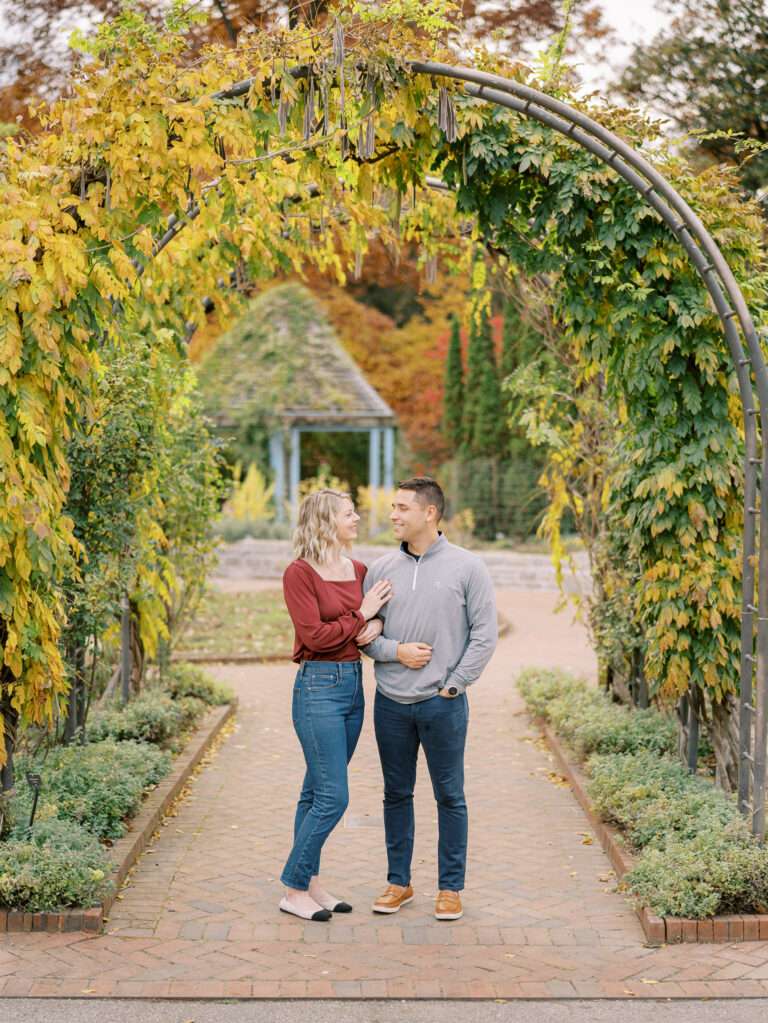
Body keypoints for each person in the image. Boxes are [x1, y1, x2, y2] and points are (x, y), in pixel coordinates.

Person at [362, 476, 497, 922]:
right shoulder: (381, 569)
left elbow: (484, 635)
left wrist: (454, 685)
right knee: (395, 793)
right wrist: (393, 651)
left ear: (430, 513)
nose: (393, 515)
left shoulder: (467, 568)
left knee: (450, 796)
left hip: (444, 703)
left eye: (402, 508)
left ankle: (450, 888)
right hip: (391, 703)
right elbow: (365, 635)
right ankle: (399, 882)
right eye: (393, 508)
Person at [279, 488, 393, 921]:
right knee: (333, 796)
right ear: (325, 521)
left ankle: (310, 885)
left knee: (313, 792)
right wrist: (362, 615)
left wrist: (377, 620)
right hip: (317, 688)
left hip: (352, 687)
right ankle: (292, 886)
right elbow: (315, 637)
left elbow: (373, 622)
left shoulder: (358, 569)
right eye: (349, 513)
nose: (357, 518)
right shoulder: (299, 574)